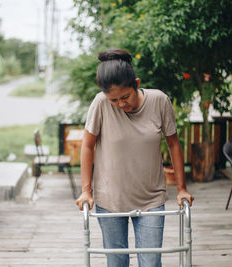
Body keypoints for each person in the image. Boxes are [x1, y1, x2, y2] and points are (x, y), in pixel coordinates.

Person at [75, 49, 194, 267]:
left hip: (151, 199)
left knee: (150, 262)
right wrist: (86, 190)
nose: (121, 104)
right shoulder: (100, 103)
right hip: (110, 198)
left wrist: (182, 188)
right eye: (114, 100)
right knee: (117, 262)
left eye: (125, 97)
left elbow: (173, 144)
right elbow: (88, 146)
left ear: (136, 84)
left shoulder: (159, 101)